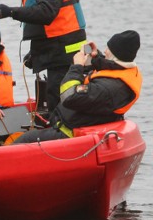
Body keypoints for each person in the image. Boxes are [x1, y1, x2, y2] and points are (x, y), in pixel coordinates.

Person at [0, 0, 86, 115]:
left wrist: (10, 12)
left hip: (66, 54)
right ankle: (56, 125)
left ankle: (61, 132)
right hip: (57, 49)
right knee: (52, 93)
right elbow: (49, 26)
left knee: (58, 96)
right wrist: (37, 53)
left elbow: (46, 12)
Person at [13, 30, 141, 144]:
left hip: (70, 133)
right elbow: (110, 67)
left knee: (24, 140)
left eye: (109, 49)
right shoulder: (125, 72)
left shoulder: (108, 89)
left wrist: (77, 66)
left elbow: (69, 95)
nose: (106, 51)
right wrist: (95, 56)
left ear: (115, 55)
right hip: (71, 121)